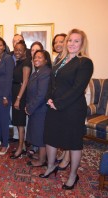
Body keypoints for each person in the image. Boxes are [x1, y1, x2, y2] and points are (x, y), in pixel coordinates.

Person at [40, 29, 93, 190]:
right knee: (50, 137)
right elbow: (52, 82)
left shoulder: (85, 62)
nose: (72, 43)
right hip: (54, 106)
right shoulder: (60, 60)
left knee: (73, 142)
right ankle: (51, 166)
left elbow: (78, 88)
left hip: (73, 109)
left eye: (76, 41)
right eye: (70, 40)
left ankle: (72, 175)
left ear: (82, 44)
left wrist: (59, 103)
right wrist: (49, 98)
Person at [25, 50, 51, 167]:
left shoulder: (45, 72)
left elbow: (41, 95)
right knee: (37, 133)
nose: (36, 59)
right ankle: (41, 155)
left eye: (40, 57)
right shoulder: (37, 72)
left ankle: (41, 160)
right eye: (35, 57)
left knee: (40, 136)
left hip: (40, 109)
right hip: (36, 108)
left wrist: (30, 108)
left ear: (46, 60)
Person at [10, 40, 32, 159]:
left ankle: (20, 149)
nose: (17, 52)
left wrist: (18, 98)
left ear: (24, 51)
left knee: (20, 123)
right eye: (15, 49)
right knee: (17, 122)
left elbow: (25, 82)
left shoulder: (26, 63)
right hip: (16, 93)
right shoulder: (18, 62)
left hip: (20, 94)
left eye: (20, 50)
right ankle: (22, 145)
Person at [51, 33, 71, 170]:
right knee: (63, 129)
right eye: (56, 42)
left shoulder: (71, 58)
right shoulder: (58, 58)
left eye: (61, 41)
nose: (58, 44)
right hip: (58, 98)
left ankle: (68, 158)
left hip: (68, 99)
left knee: (69, 130)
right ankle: (64, 153)